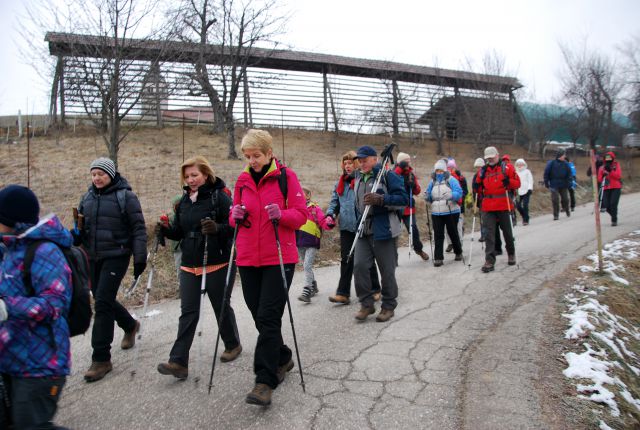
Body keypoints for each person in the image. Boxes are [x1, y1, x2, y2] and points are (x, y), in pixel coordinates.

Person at [229, 129, 307, 406]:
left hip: (278, 257)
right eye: (248, 156)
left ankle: (264, 380)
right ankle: (283, 357)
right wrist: (233, 215)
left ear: (269, 153)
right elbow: (235, 213)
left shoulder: (287, 177)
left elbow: (301, 215)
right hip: (248, 257)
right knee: (259, 316)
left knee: (269, 315)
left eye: (257, 155)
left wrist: (282, 214)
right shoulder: (241, 180)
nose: (252, 160)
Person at [156, 156, 242, 380]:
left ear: (206, 174)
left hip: (218, 260)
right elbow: (179, 231)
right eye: (187, 176)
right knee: (188, 312)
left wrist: (217, 228)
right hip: (189, 264)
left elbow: (235, 227)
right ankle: (178, 362)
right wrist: (165, 230)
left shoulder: (219, 198)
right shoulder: (183, 201)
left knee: (219, 306)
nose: (191, 180)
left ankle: (233, 344)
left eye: (194, 175)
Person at [0, 185, 71, 429]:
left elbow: (55, 303)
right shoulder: (9, 250)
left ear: (13, 221)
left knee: (29, 425)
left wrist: (6, 307)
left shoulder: (44, 251)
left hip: (41, 364)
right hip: (10, 357)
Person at [74, 157, 147, 382]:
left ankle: (101, 359)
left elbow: (138, 227)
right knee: (101, 297)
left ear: (111, 174)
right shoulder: (86, 197)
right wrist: (76, 235)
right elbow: (81, 228)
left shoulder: (125, 196)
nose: (96, 178)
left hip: (117, 255)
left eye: (101, 174)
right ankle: (130, 324)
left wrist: (139, 257)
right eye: (93, 174)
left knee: (103, 302)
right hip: (92, 256)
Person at [351, 145, 407, 323]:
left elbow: (404, 200)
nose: (361, 163)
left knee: (386, 271)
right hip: (363, 230)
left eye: (364, 159)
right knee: (359, 266)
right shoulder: (359, 178)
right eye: (359, 160)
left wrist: (382, 200)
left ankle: (388, 306)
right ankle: (366, 303)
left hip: (384, 230)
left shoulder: (388, 176)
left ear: (375, 159)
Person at [326, 151, 382, 305]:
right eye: (345, 163)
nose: (347, 166)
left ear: (356, 164)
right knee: (346, 259)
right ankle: (343, 293)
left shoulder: (361, 180)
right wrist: (330, 215)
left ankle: (375, 289)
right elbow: (334, 202)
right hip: (346, 226)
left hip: (362, 225)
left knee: (365, 259)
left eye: (350, 163)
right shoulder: (340, 183)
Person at [475, 146, 521, 273]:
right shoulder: (483, 171)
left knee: (507, 231)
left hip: (503, 203)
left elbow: (517, 183)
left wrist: (509, 182)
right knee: (488, 233)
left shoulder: (507, 167)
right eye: (488, 158)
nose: (490, 159)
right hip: (488, 205)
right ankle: (489, 260)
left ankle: (511, 253)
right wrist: (476, 185)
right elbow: (478, 186)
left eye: (492, 157)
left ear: (497, 155)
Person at [425, 160, 464, 267]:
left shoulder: (451, 180)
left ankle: (458, 252)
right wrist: (427, 196)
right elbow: (428, 194)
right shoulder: (432, 182)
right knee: (438, 235)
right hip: (436, 212)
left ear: (445, 170)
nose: (439, 172)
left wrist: (451, 195)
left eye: (441, 170)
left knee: (452, 232)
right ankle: (438, 258)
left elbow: (459, 192)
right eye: (437, 170)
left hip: (451, 210)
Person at [296, 187, 332, 303]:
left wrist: (329, 224)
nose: (299, 196)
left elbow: (322, 221)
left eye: (302, 194)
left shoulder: (314, 208)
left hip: (312, 242)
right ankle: (313, 285)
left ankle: (307, 291)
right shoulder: (295, 208)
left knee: (307, 265)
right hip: (299, 242)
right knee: (306, 265)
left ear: (308, 196)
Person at [393, 152, 429, 261]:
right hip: (395, 207)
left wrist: (413, 186)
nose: (408, 163)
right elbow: (393, 181)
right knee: (393, 232)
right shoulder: (393, 172)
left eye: (409, 161)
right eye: (406, 161)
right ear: (400, 162)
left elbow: (417, 191)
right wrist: (401, 170)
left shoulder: (411, 174)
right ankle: (393, 256)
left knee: (413, 230)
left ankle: (419, 250)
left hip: (408, 208)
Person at [445, 158, 468, 253]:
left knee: (458, 226)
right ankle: (450, 243)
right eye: (448, 168)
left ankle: (459, 244)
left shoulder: (461, 178)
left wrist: (457, 197)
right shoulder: (445, 178)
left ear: (455, 168)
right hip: (446, 206)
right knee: (447, 226)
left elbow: (465, 191)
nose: (450, 169)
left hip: (459, 205)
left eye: (452, 168)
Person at [543, 149, 572, 220]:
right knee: (555, 200)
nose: (565, 156)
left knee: (565, 199)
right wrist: (546, 182)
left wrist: (569, 182)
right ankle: (556, 215)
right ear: (560, 156)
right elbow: (546, 173)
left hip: (563, 184)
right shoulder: (551, 163)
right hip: (554, 184)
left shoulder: (566, 164)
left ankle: (567, 209)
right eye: (563, 155)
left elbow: (569, 174)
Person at [597, 152, 622, 226]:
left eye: (609, 158)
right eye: (606, 158)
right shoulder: (602, 167)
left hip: (616, 187)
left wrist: (610, 171)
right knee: (606, 205)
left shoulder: (616, 165)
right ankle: (614, 215)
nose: (608, 160)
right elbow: (599, 179)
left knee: (613, 203)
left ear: (612, 158)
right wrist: (603, 175)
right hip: (606, 187)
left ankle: (614, 220)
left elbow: (618, 176)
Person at [515, 159, 533, 225]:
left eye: (521, 164)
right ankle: (525, 216)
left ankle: (526, 220)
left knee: (525, 205)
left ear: (524, 164)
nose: (519, 165)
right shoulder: (515, 172)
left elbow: (530, 180)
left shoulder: (527, 171)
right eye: (518, 164)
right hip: (518, 192)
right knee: (518, 206)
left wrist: (530, 189)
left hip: (526, 191)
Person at [471, 157, 486, 242]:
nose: (478, 169)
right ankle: (483, 234)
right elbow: (474, 189)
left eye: (480, 167)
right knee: (482, 217)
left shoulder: (486, 174)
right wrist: (475, 201)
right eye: (477, 167)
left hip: (487, 198)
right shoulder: (475, 176)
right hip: (480, 199)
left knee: (486, 218)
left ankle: (486, 234)